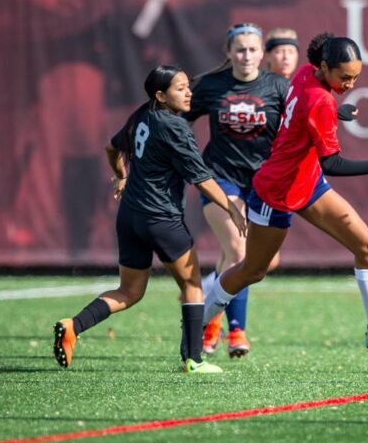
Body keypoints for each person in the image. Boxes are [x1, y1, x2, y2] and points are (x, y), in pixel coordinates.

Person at [203, 33, 368, 355]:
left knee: (367, 245)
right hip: (276, 191)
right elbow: (332, 163)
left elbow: (303, 115)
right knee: (252, 269)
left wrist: (335, 113)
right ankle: (197, 325)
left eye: (355, 77)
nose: (349, 84)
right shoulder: (319, 100)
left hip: (308, 184)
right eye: (344, 77)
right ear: (324, 66)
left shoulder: (307, 74)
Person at [53, 65, 246, 374]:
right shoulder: (176, 126)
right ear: (161, 95)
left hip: (130, 216)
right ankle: (194, 360)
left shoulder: (143, 114)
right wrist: (231, 208)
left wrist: (121, 177)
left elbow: (112, 148)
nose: (188, 93)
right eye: (180, 88)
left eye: (187, 86)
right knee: (192, 284)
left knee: (129, 292)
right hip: (161, 218)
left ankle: (73, 325)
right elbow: (201, 178)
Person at [183, 23, 290, 358]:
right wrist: (180, 154)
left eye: (252, 49)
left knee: (264, 261)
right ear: (228, 53)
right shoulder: (212, 86)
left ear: (263, 54)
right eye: (240, 49)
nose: (246, 55)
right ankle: (236, 331)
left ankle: (209, 316)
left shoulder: (278, 86)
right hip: (218, 178)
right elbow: (177, 117)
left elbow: (304, 121)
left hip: (263, 183)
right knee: (239, 251)